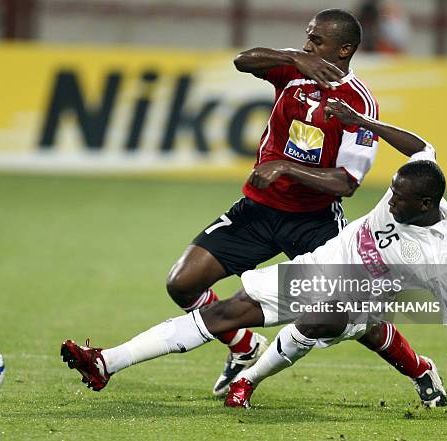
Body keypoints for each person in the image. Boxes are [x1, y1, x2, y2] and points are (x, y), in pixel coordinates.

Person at [60, 100, 447, 418]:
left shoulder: (444, 262)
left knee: (320, 319)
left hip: (360, 296)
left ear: (426, 204)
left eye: (401, 199)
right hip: (321, 265)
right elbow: (421, 145)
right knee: (224, 313)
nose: (390, 201)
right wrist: (360, 120)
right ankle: (107, 363)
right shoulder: (415, 179)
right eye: (392, 190)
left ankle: (250, 378)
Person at [163, 8, 421, 397]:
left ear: (344, 49)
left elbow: (346, 182)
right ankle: (243, 347)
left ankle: (419, 370)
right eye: (307, 36)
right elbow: (242, 60)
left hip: (313, 223)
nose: (307, 45)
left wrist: (285, 167)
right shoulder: (292, 70)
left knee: (343, 312)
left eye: (316, 40)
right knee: (182, 283)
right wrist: (290, 57)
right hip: (258, 210)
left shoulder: (359, 103)